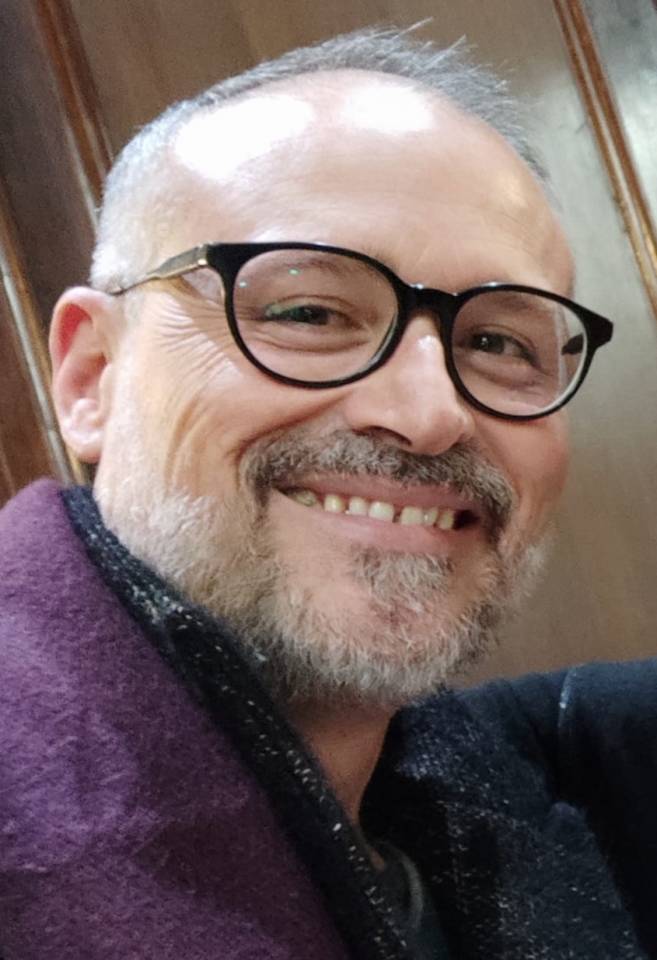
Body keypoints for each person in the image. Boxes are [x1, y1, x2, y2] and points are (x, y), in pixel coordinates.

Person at [0, 25, 652, 960]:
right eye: (308, 311)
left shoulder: (516, 786)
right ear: (91, 378)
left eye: (498, 343)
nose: (429, 414)